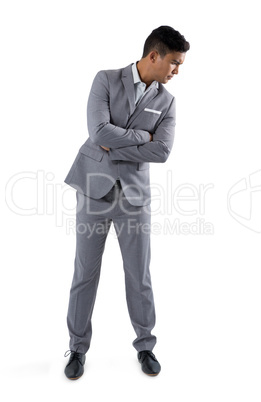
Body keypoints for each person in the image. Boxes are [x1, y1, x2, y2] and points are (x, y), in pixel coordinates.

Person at [63, 25, 190, 380]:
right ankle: (76, 347)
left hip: (135, 197)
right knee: (85, 272)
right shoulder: (105, 80)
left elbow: (162, 151)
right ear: (154, 56)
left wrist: (120, 140)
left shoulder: (167, 101)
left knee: (139, 274)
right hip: (93, 189)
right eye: (175, 63)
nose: (176, 71)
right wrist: (139, 136)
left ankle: (145, 345)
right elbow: (97, 132)